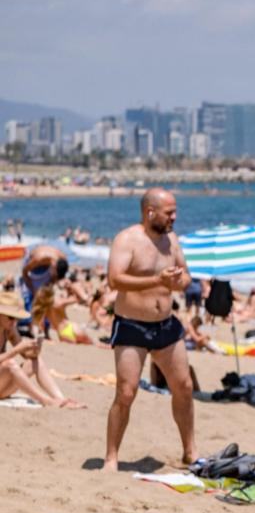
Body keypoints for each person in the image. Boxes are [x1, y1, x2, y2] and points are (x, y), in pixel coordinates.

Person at [105, 189, 198, 470]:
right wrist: (157, 280)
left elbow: (186, 275)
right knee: (126, 392)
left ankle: (190, 451)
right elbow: (114, 280)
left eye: (175, 211)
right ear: (150, 212)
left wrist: (177, 282)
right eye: (169, 212)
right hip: (132, 325)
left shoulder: (171, 240)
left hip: (166, 325)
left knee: (184, 386)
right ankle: (111, 458)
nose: (174, 217)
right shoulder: (127, 239)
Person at [0, 292, 83, 408]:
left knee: (35, 360)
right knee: (10, 364)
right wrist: (17, 350)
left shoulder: (9, 330)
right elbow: (17, 351)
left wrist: (36, 347)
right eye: (10, 317)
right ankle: (45, 400)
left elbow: (27, 354)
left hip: (2, 384)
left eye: (16, 318)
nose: (14, 322)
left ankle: (60, 398)